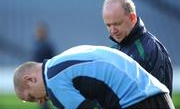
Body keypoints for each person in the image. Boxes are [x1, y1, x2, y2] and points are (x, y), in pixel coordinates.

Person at [13, 45, 174, 109]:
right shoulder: (64, 57)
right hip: (158, 94)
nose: (40, 102)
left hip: (137, 102)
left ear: (30, 79)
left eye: (32, 97)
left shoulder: (53, 83)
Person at [102, 0, 173, 96]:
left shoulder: (151, 49)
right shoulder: (113, 50)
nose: (112, 30)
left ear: (132, 18)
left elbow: (160, 100)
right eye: (108, 25)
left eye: (117, 24)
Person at [32, 22, 55, 109]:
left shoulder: (48, 45)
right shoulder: (35, 44)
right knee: (41, 98)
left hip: (44, 74)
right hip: (37, 75)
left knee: (43, 97)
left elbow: (52, 59)